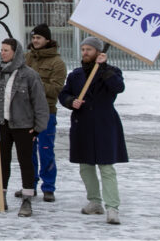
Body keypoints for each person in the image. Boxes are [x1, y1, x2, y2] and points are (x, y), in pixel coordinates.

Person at [59, 37, 127, 225]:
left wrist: (104, 68)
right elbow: (63, 94)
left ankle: (112, 207)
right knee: (85, 166)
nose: (85, 53)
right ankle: (94, 201)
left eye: (89, 49)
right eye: (83, 49)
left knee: (106, 167)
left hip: (105, 124)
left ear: (98, 52)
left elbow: (118, 87)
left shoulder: (111, 71)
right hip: (83, 125)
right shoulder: (76, 75)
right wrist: (71, 101)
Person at [0, 38, 49, 217]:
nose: (2, 53)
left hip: (23, 126)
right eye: (1, 50)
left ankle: (27, 199)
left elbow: (40, 103)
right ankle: (0, 196)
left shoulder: (28, 75)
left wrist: (37, 127)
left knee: (25, 161)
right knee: (2, 161)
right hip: (2, 125)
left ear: (16, 52)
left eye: (6, 50)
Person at [19, 23, 67, 202]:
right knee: (27, 151)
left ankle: (48, 187)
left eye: (38, 37)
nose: (35, 41)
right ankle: (29, 185)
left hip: (46, 112)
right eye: (33, 38)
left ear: (47, 39)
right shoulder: (26, 58)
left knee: (45, 149)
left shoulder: (57, 62)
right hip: (25, 112)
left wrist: (34, 83)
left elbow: (56, 90)